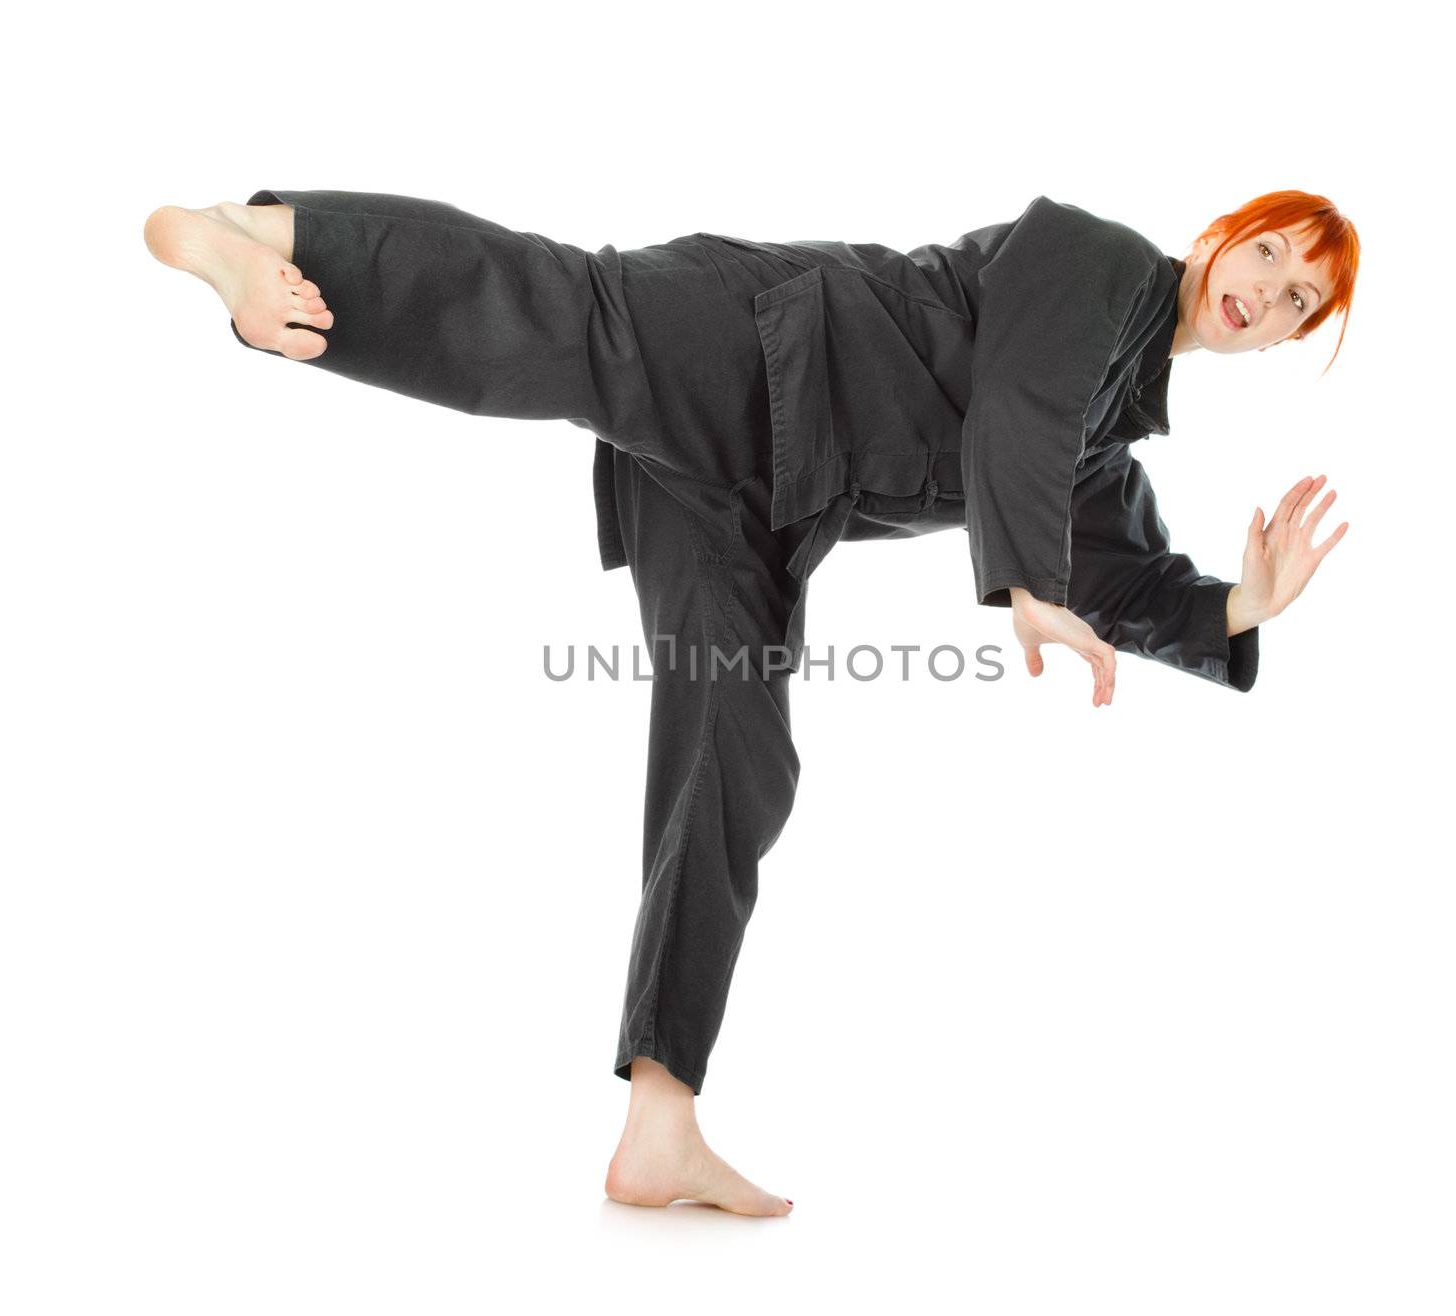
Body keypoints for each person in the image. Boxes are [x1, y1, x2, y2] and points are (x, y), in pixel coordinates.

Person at [144, 186, 1359, 1216]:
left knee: (735, 753)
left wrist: (1240, 606)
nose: (1267, 291)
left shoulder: (1104, 443)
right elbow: (1020, 408)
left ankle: (658, 1124)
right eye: (1267, 251)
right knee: (544, 312)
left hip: (753, 500)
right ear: (1220, 235)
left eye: (1298, 300)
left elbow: (1129, 568)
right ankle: (246, 230)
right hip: (740, 334)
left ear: (1280, 345)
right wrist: (1027, 581)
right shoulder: (1091, 262)